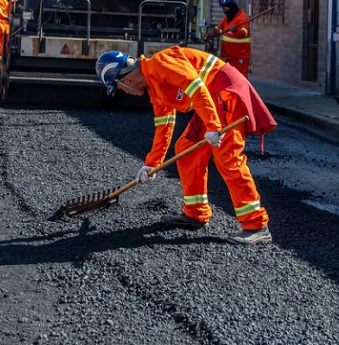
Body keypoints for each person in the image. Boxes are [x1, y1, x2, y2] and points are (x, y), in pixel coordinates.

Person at [95, 46, 277, 245]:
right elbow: (164, 126)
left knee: (228, 158)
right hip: (210, 99)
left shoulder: (159, 65)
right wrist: (152, 163)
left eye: (119, 87)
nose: (123, 91)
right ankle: (195, 214)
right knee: (186, 150)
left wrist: (213, 125)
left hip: (224, 92)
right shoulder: (154, 87)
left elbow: (196, 87)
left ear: (126, 80)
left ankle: (257, 225)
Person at [206, 0, 251, 78]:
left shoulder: (242, 18)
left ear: (231, 6)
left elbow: (243, 33)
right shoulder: (228, 18)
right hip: (227, 55)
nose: (224, 11)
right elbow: (219, 29)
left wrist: (236, 30)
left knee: (240, 79)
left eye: (225, 8)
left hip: (239, 56)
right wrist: (210, 33)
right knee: (228, 78)